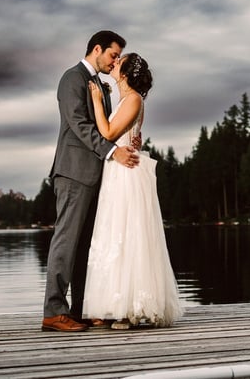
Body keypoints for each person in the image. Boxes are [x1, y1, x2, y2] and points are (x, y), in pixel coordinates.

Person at [41, 30, 143, 333]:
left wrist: (128, 140)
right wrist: (113, 151)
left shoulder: (100, 85)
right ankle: (54, 311)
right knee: (66, 241)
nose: (114, 63)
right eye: (112, 55)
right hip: (73, 172)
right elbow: (80, 124)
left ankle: (81, 310)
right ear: (96, 49)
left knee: (87, 245)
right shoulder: (71, 79)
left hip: (97, 174)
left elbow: (108, 126)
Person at [83, 53, 184, 329]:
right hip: (118, 171)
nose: (114, 64)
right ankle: (117, 305)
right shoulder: (126, 100)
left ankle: (129, 310)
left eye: (119, 62)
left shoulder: (134, 99)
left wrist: (95, 103)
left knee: (128, 234)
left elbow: (107, 133)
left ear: (126, 73)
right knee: (116, 234)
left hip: (127, 174)